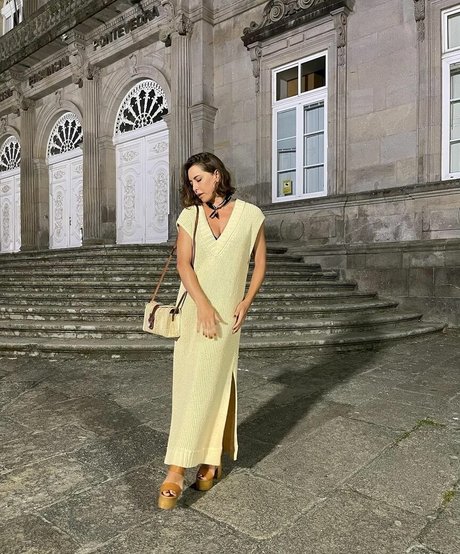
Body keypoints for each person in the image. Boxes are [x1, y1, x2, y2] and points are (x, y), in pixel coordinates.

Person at [158, 152, 267, 509]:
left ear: (216, 175)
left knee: (219, 383)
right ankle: (177, 468)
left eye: (199, 179)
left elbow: (260, 263)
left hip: (228, 318)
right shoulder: (189, 216)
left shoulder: (251, 215)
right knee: (190, 387)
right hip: (196, 313)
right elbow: (183, 265)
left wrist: (246, 302)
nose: (194, 186)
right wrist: (203, 306)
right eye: (190, 182)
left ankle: (211, 459)